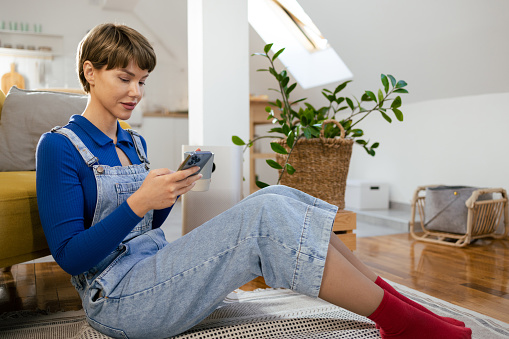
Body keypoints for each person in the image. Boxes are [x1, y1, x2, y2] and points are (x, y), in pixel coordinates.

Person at [36, 23, 471, 339]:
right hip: (117, 300)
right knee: (265, 214)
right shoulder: (58, 147)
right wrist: (139, 202)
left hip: (153, 271)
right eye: (124, 78)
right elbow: (71, 258)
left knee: (279, 194)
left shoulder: (135, 143)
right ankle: (403, 322)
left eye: (143, 81)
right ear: (90, 72)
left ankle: (402, 310)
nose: (136, 92)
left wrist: (168, 194)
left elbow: (146, 231)